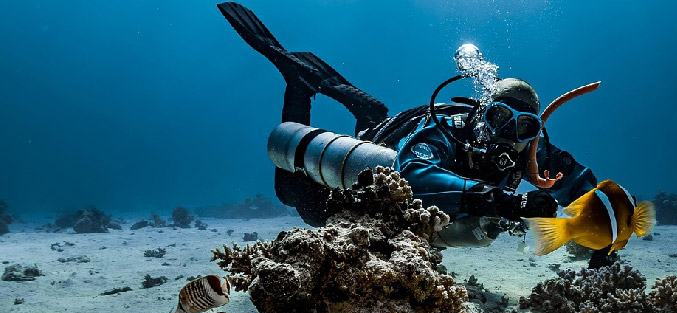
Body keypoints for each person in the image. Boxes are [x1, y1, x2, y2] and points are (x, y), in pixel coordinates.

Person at [218, 2, 600, 250]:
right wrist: (502, 199)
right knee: (298, 197)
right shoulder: (451, 129)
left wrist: (611, 227)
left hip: (396, 138)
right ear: (482, 113)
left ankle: (366, 107)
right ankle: (297, 86)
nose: (507, 134)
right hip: (384, 161)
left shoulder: (533, 151)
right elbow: (412, 172)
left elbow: (584, 188)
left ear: (535, 130)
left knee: (376, 117)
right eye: (499, 117)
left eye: (523, 127)